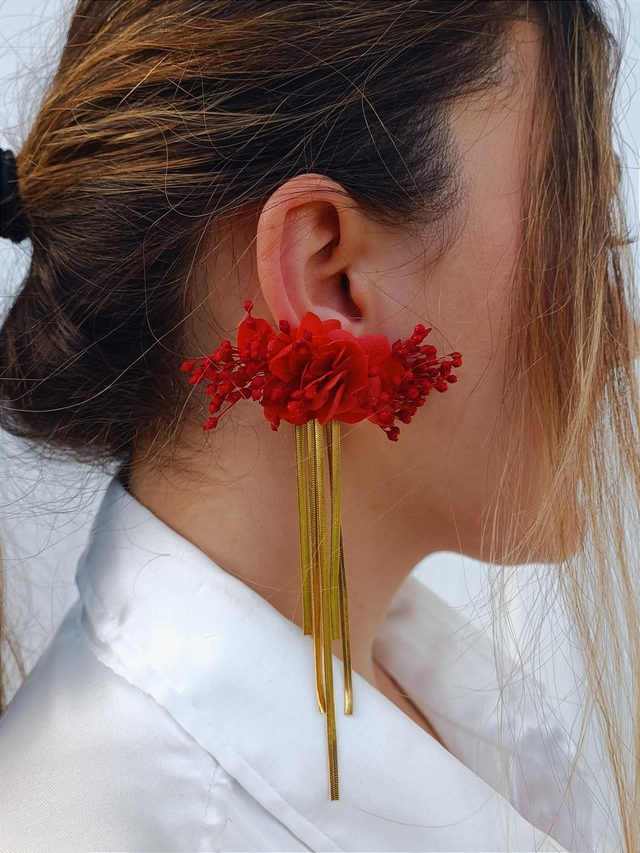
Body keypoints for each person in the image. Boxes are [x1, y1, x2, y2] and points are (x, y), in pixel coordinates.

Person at [0, 1, 638, 851]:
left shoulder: (426, 688)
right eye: (578, 238)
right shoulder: (104, 826)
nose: (620, 338)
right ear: (327, 279)